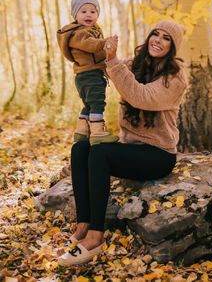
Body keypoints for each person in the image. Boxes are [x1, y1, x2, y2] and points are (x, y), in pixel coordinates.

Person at [58, 20, 188, 266]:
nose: (157, 40)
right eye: (155, 34)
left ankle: (96, 236)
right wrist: (78, 38)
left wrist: (114, 62)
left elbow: (141, 96)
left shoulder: (175, 78)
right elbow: (97, 66)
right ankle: (83, 223)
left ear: (173, 46)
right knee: (81, 148)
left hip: (158, 155)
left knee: (100, 154)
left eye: (166, 38)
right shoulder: (134, 65)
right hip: (131, 149)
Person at [57, 0, 118, 145]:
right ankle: (97, 132)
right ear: (75, 15)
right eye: (83, 12)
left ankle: (81, 131)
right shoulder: (79, 33)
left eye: (93, 11)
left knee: (89, 105)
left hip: (86, 74)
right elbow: (90, 44)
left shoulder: (91, 30)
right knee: (97, 103)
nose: (88, 15)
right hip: (90, 74)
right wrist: (105, 42)